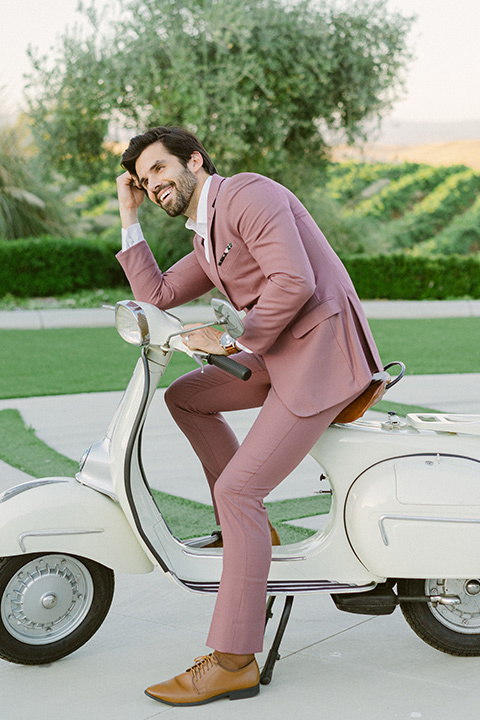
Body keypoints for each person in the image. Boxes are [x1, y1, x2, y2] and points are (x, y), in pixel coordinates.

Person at [116, 125, 382, 706]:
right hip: (280, 352)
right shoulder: (207, 237)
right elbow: (156, 296)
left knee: (238, 490)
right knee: (185, 397)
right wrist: (126, 215)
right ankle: (252, 538)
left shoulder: (246, 194)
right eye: (142, 180)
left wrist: (236, 342)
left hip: (318, 356)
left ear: (194, 160)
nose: (153, 185)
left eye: (159, 170)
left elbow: (295, 280)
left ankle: (235, 659)